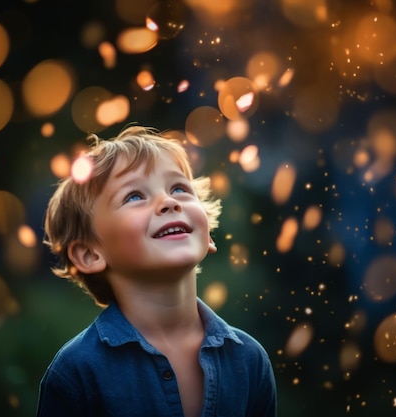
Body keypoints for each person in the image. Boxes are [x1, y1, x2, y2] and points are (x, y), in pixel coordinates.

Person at [36, 125, 277, 417]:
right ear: (90, 253)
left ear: (208, 234)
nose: (169, 202)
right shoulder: (76, 372)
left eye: (179, 188)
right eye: (134, 196)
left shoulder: (250, 361)